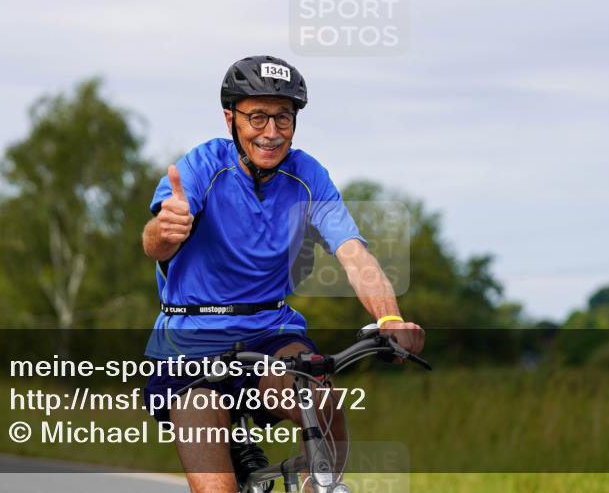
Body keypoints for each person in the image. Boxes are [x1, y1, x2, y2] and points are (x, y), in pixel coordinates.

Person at [141, 55, 424, 493]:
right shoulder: (202, 166)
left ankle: (319, 485)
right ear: (230, 119)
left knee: (320, 396)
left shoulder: (307, 175)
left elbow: (353, 253)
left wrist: (389, 317)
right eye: (257, 117)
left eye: (283, 118)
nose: (271, 132)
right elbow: (155, 243)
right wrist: (165, 229)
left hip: (270, 331)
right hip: (190, 345)